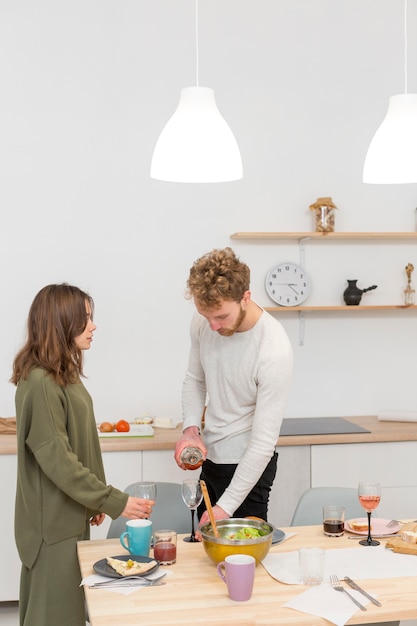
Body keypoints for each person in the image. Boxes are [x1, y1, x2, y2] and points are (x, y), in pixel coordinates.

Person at [11, 284, 154, 626]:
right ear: (61, 323)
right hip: (53, 530)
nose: (93, 326)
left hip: (68, 519)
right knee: (53, 617)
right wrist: (111, 500)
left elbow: (77, 445)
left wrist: (91, 504)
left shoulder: (63, 376)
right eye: (85, 319)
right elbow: (59, 460)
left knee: (70, 614)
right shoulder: (41, 383)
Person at [174, 247, 293, 526]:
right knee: (206, 557)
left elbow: (263, 444)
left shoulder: (273, 348)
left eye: (222, 317)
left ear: (245, 298)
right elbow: (195, 378)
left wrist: (225, 507)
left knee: (245, 559)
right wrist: (191, 429)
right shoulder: (205, 320)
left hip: (250, 468)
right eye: (206, 317)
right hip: (210, 459)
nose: (213, 326)